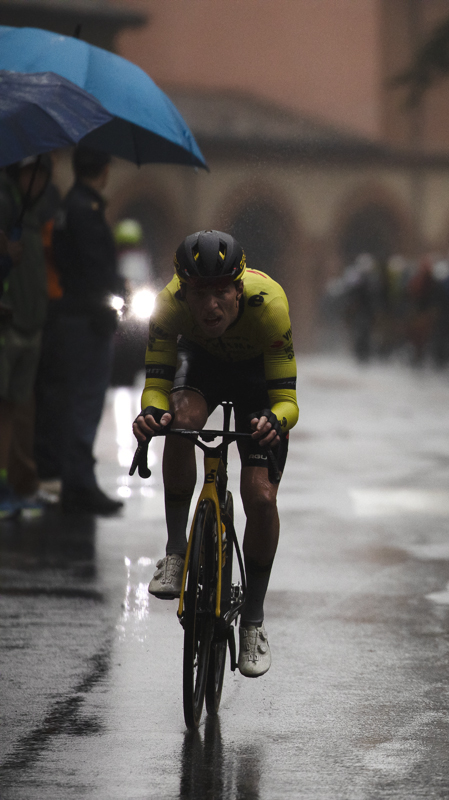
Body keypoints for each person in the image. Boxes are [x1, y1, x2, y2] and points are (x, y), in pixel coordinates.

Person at [133, 230, 297, 678]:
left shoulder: (271, 306)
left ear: (239, 289)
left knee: (261, 498)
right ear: (184, 292)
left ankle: (255, 620)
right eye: (200, 294)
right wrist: (152, 412)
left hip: (255, 378)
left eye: (222, 292)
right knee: (180, 421)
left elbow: (287, 400)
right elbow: (156, 384)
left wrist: (275, 421)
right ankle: (175, 551)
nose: (211, 306)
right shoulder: (168, 306)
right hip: (200, 364)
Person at [50, 146, 125, 514]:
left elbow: (63, 259)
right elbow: (96, 268)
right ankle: (79, 484)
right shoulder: (87, 210)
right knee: (86, 400)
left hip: (71, 312)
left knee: (75, 398)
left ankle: (75, 479)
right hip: (89, 317)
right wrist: (114, 295)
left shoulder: (68, 205)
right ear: (104, 169)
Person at [0, 155, 55, 516]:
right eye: (32, 174)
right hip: (9, 323)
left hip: (28, 323)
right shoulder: (5, 206)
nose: (38, 183)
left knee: (12, 409)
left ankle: (8, 481)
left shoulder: (29, 213)